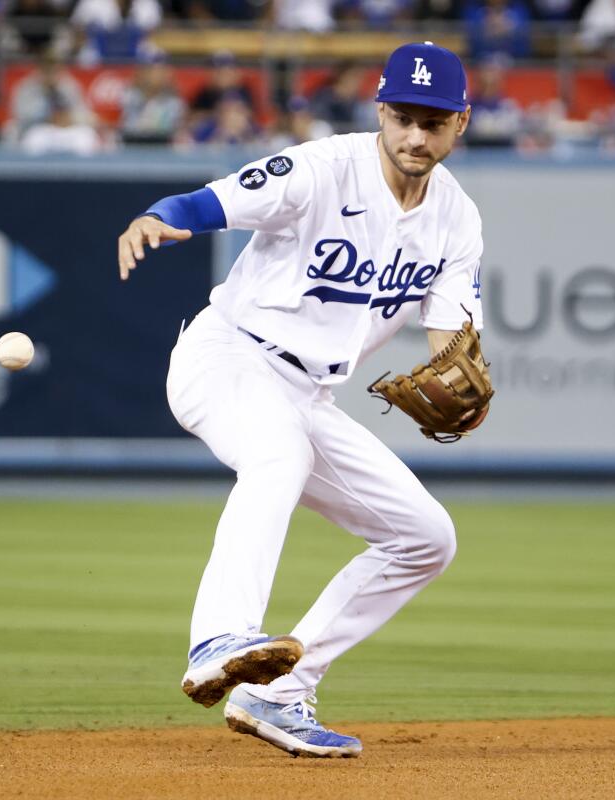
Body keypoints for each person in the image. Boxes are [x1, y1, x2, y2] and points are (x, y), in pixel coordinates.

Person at [116, 42, 484, 758]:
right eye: (403, 117)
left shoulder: (457, 219)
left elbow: (451, 334)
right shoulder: (322, 169)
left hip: (309, 393)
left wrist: (459, 373)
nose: (415, 135)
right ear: (381, 109)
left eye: (433, 122)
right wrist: (159, 216)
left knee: (426, 537)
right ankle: (218, 638)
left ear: (460, 123)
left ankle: (279, 690)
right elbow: (212, 201)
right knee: (276, 456)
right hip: (227, 355)